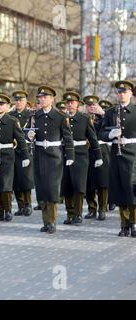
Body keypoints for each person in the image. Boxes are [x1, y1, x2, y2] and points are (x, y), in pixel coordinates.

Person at [27, 85, 74, 234]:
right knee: (41, 188)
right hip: (40, 154)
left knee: (52, 189)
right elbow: (28, 132)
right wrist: (28, 137)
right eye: (40, 97)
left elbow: (67, 137)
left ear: (52, 99)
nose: (42, 99)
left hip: (54, 156)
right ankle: (46, 221)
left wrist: (70, 156)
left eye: (45, 97)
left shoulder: (61, 117)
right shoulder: (35, 116)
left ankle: (52, 221)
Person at [99, 80, 136, 237]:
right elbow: (100, 134)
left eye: (124, 91)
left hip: (133, 153)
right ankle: (124, 224)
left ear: (130, 94)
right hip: (116, 153)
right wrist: (110, 135)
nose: (121, 94)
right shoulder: (111, 112)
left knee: (132, 189)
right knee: (120, 188)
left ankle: (134, 223)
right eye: (119, 92)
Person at [60, 92, 102, 225]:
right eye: (67, 103)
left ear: (78, 104)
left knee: (78, 186)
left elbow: (93, 139)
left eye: (72, 102)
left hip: (81, 156)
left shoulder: (84, 119)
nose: (70, 104)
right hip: (65, 154)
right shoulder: (61, 118)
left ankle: (78, 214)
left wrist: (98, 156)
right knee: (67, 186)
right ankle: (70, 213)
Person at [0, 94, 30, 223]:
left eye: (2, 104)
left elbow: (20, 139)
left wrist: (25, 155)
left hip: (7, 154)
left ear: (7, 106)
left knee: (6, 184)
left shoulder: (12, 121)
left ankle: (8, 210)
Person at [9, 91, 34, 216]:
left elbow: (34, 132)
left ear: (25, 101)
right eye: (17, 100)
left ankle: (28, 204)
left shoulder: (31, 115)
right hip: (13, 150)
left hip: (25, 149)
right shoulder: (10, 115)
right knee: (16, 179)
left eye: (21, 100)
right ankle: (20, 205)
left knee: (26, 179)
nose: (19, 102)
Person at [85, 96, 110, 221]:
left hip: (101, 150)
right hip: (87, 151)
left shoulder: (103, 118)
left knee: (102, 183)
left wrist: (103, 113)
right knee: (88, 182)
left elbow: (112, 123)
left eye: (93, 105)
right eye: (89, 105)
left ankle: (102, 209)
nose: (91, 107)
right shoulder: (83, 118)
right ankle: (91, 209)